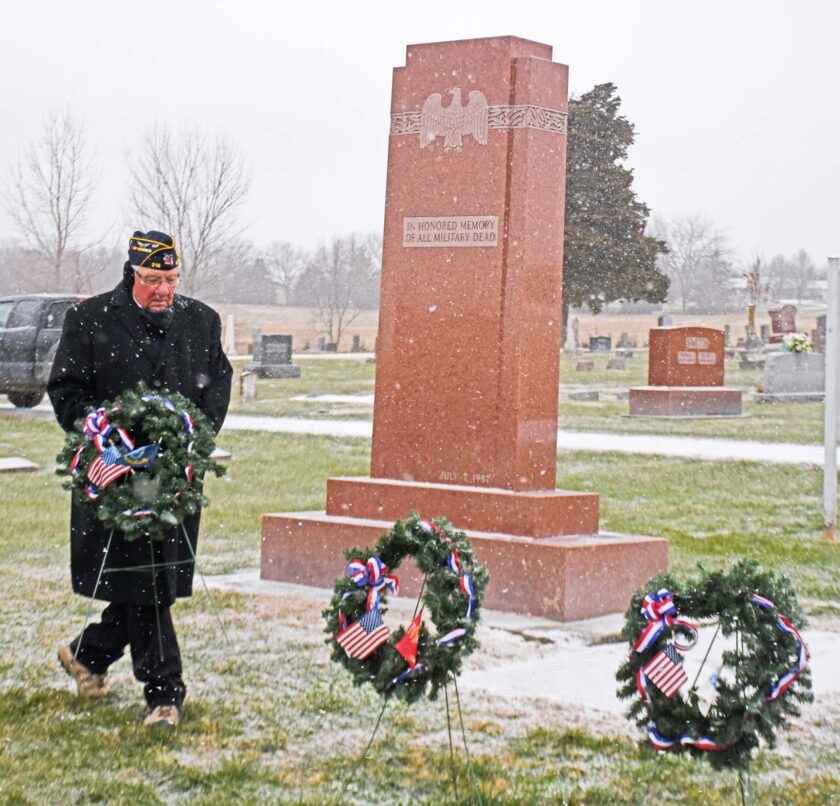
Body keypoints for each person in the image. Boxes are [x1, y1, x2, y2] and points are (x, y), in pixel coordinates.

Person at [48, 230, 232, 729]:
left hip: (173, 478)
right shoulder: (90, 320)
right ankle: (165, 694)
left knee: (150, 580)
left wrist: (192, 437)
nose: (164, 290)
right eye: (152, 279)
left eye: (171, 279)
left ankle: (89, 654)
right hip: (116, 475)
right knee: (145, 581)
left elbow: (217, 386)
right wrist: (109, 440)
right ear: (132, 273)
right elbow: (67, 391)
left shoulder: (202, 321)